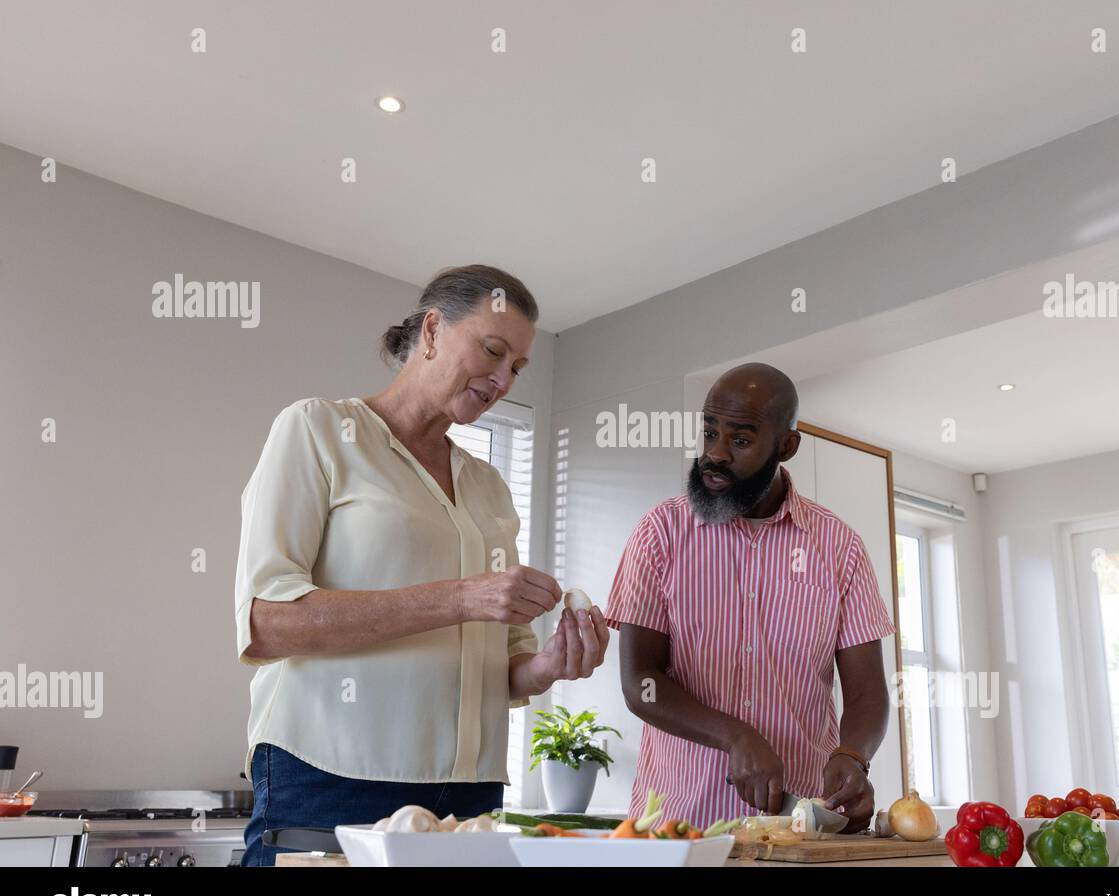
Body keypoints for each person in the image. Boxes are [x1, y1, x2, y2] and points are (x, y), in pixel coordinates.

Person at [234, 265, 609, 865]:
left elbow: (505, 665)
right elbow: (268, 622)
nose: (504, 378)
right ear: (432, 330)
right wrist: (462, 598)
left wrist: (547, 666)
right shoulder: (319, 430)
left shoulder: (488, 485)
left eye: (518, 367)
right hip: (330, 778)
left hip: (471, 793)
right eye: (492, 350)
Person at [605, 363, 894, 832]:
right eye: (709, 432)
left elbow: (866, 693)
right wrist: (733, 734)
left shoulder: (839, 547)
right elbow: (641, 681)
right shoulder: (660, 534)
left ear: (787, 446)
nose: (714, 455)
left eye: (739, 440)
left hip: (799, 829)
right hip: (680, 826)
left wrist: (852, 755)